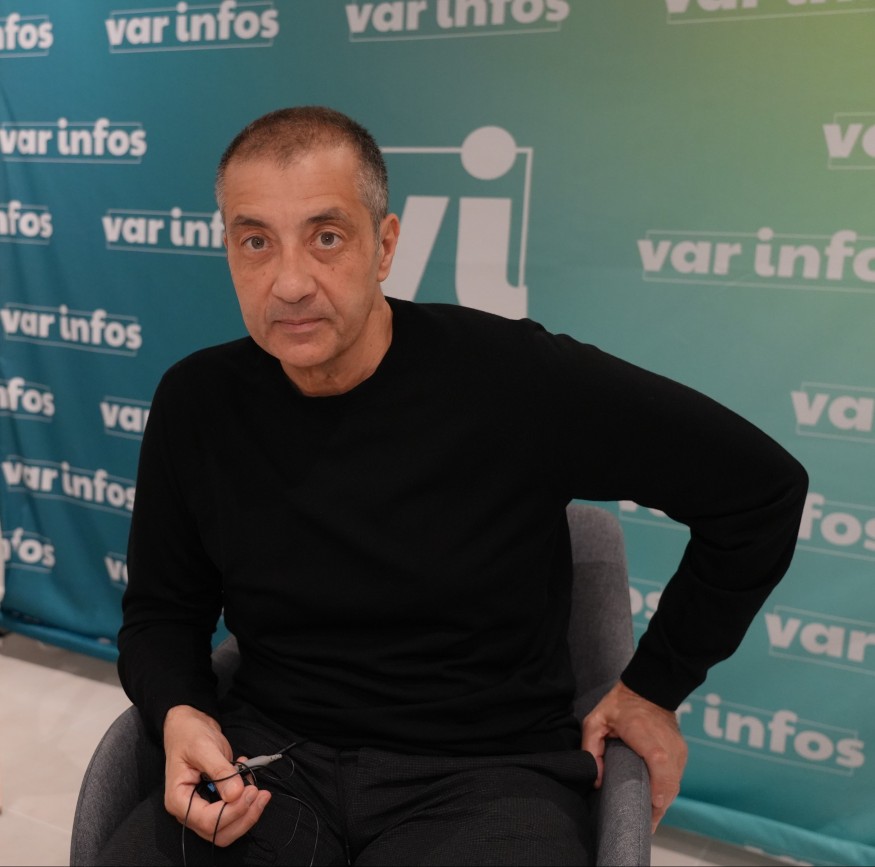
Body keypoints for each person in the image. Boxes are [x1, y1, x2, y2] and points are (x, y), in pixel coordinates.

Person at [103, 106, 808, 866]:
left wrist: (655, 686)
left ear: (385, 246)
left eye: (327, 236)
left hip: (487, 774)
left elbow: (759, 490)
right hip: (274, 760)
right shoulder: (199, 401)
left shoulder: (514, 380)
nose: (291, 282)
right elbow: (162, 613)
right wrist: (180, 710)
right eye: (255, 242)